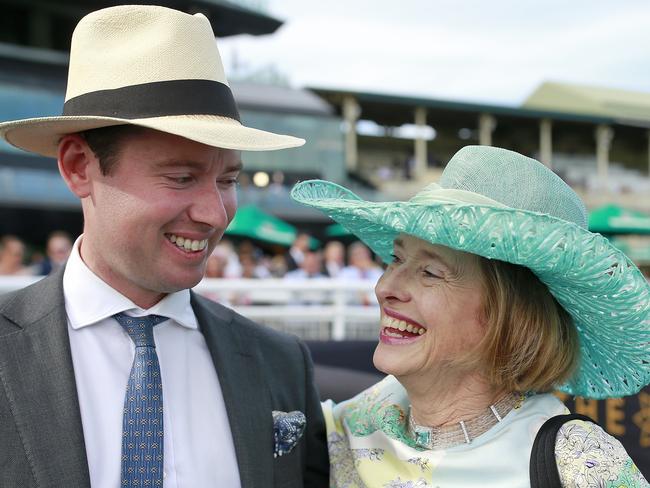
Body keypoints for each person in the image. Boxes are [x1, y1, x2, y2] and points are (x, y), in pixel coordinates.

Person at [0, 5, 328, 487]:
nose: (216, 214)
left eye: (228, 178)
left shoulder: (281, 363)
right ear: (77, 167)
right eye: (180, 177)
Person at [291, 145, 650, 487]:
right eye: (396, 259)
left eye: (431, 272)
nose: (385, 288)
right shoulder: (349, 424)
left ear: (511, 318)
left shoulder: (578, 463)